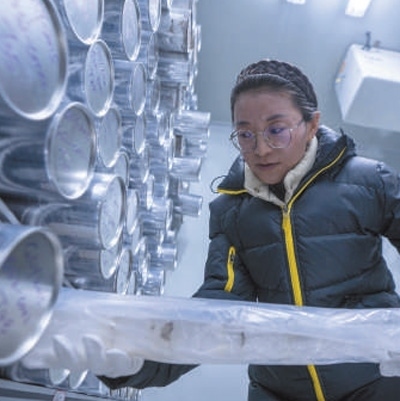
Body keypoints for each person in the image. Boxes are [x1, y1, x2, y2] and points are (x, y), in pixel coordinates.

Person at [100, 59, 400, 400]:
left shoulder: (368, 181)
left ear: (312, 125)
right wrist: (137, 358)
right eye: (245, 134)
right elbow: (220, 307)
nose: (260, 149)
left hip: (377, 379)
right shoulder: (232, 212)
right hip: (279, 390)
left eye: (276, 130)